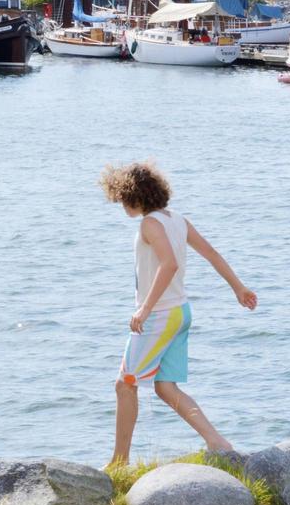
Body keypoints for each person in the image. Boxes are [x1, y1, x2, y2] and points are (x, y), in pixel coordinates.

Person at [101, 161, 257, 467]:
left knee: (125, 384)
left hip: (160, 316)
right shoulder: (177, 219)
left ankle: (119, 462)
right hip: (181, 312)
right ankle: (218, 443)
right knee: (165, 387)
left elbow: (169, 264)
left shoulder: (149, 225)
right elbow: (210, 252)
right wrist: (238, 288)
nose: (121, 205)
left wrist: (144, 309)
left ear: (135, 195)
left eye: (122, 198)